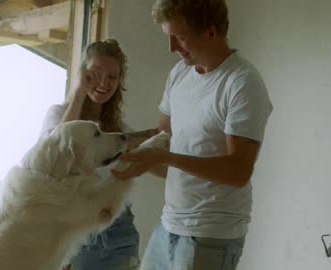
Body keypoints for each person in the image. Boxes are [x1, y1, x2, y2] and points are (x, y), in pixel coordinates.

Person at [112, 0, 273, 269]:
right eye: (169, 37)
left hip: (211, 235)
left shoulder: (242, 83)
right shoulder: (179, 74)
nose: (172, 47)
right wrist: (116, 147)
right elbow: (162, 140)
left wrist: (165, 157)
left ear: (211, 32)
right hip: (169, 226)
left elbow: (238, 172)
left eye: (180, 37)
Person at [38, 38, 140, 270]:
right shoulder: (58, 115)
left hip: (120, 233)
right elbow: (56, 154)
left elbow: (154, 166)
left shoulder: (120, 131)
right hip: (77, 234)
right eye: (96, 73)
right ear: (82, 73)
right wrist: (79, 92)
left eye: (112, 76)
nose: (104, 82)